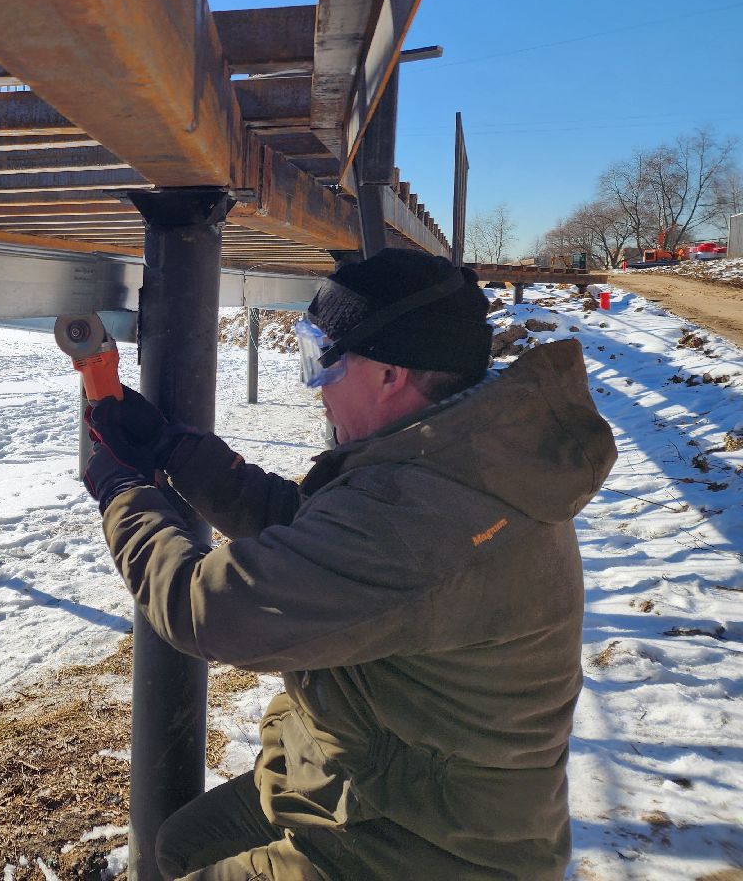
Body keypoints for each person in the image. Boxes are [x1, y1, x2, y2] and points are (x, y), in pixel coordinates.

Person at [83, 248, 617, 881]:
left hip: (429, 845)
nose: (316, 390)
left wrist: (122, 491)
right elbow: (316, 529)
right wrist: (175, 449)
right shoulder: (460, 458)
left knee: (181, 857)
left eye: (323, 361)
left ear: (390, 373)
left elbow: (211, 611)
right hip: (365, 776)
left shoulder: (424, 513)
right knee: (180, 845)